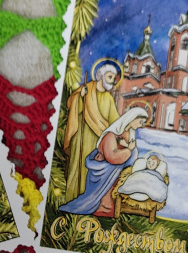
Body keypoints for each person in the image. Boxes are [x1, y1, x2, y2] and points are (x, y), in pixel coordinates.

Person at [59, 106, 150, 217]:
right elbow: (111, 156)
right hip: (103, 170)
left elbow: (132, 154)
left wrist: (129, 150)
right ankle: (98, 208)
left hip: (115, 171)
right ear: (132, 118)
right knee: (97, 199)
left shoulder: (129, 134)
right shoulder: (111, 135)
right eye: (140, 122)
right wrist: (128, 150)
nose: (140, 125)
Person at [63, 59, 122, 202]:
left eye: (113, 78)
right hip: (81, 137)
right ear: (101, 75)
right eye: (110, 77)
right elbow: (71, 104)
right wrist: (79, 96)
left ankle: (87, 201)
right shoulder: (87, 89)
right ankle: (72, 197)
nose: (112, 80)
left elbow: (114, 120)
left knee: (92, 171)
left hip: (98, 141)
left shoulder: (108, 98)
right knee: (77, 167)